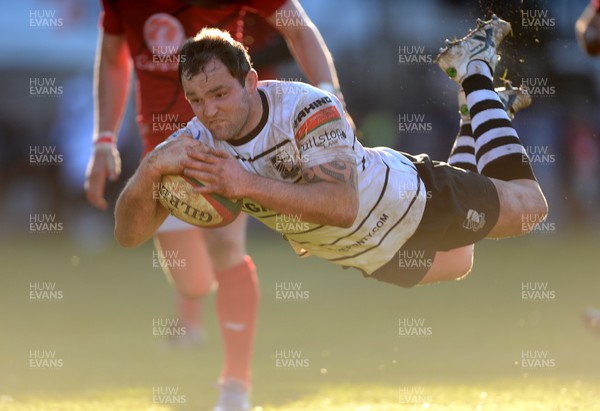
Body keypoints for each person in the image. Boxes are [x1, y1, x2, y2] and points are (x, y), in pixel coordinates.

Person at [115, 15, 547, 315]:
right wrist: (150, 167)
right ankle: (477, 116)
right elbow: (129, 235)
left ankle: (474, 71)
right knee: (461, 261)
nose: (208, 112)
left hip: (410, 198)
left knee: (529, 210)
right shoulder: (195, 142)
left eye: (220, 94)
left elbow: (341, 205)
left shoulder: (306, 107)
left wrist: (244, 183)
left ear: (250, 81)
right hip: (369, 255)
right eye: (196, 100)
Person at [84, 1, 349, 409]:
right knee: (191, 282)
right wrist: (104, 140)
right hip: (164, 147)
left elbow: (299, 27)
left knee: (227, 250)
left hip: (228, 137)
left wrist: (332, 96)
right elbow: (113, 59)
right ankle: (193, 319)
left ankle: (235, 385)